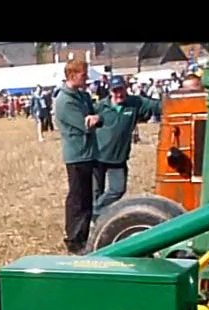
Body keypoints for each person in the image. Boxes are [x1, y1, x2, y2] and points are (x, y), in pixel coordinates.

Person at [92, 75, 162, 218]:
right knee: (95, 192)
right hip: (97, 157)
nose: (119, 94)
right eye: (115, 91)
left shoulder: (135, 103)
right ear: (110, 91)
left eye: (121, 90)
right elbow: (82, 119)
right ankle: (96, 220)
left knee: (117, 189)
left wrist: (178, 100)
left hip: (118, 158)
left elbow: (157, 106)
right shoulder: (100, 106)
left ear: (126, 88)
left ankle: (95, 211)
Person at [52, 58, 102, 254]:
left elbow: (96, 114)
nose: (86, 78)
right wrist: (94, 120)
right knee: (77, 200)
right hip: (77, 156)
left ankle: (83, 238)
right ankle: (74, 240)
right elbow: (85, 125)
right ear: (72, 75)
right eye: (83, 74)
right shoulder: (64, 101)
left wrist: (97, 117)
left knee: (86, 200)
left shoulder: (82, 96)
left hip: (88, 153)